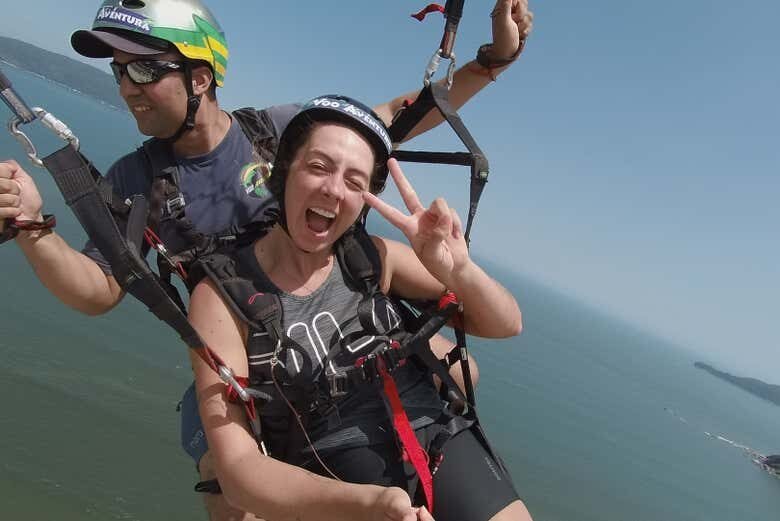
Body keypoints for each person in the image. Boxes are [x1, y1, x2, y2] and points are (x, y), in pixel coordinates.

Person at [0, 1, 533, 519]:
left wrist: (490, 63)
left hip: (331, 327)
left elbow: (393, 117)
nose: (126, 88)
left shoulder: (278, 134)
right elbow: (100, 287)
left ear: (200, 78)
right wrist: (33, 231)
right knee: (233, 495)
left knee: (460, 371)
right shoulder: (136, 182)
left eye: (142, 68)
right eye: (119, 72)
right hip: (243, 355)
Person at [188, 94, 530, 521]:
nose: (334, 189)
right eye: (319, 167)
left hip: (436, 433)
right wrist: (370, 505)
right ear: (283, 174)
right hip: (333, 469)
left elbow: (506, 323)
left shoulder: (371, 258)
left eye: (355, 181)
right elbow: (238, 470)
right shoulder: (222, 298)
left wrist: (458, 269)